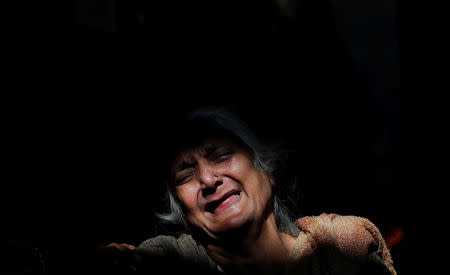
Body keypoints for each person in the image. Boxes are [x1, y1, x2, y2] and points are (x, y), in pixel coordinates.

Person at [102, 107, 397, 275]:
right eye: (187, 174)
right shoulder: (169, 265)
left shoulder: (342, 252)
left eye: (220, 156)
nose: (207, 179)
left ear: (267, 171)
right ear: (181, 210)